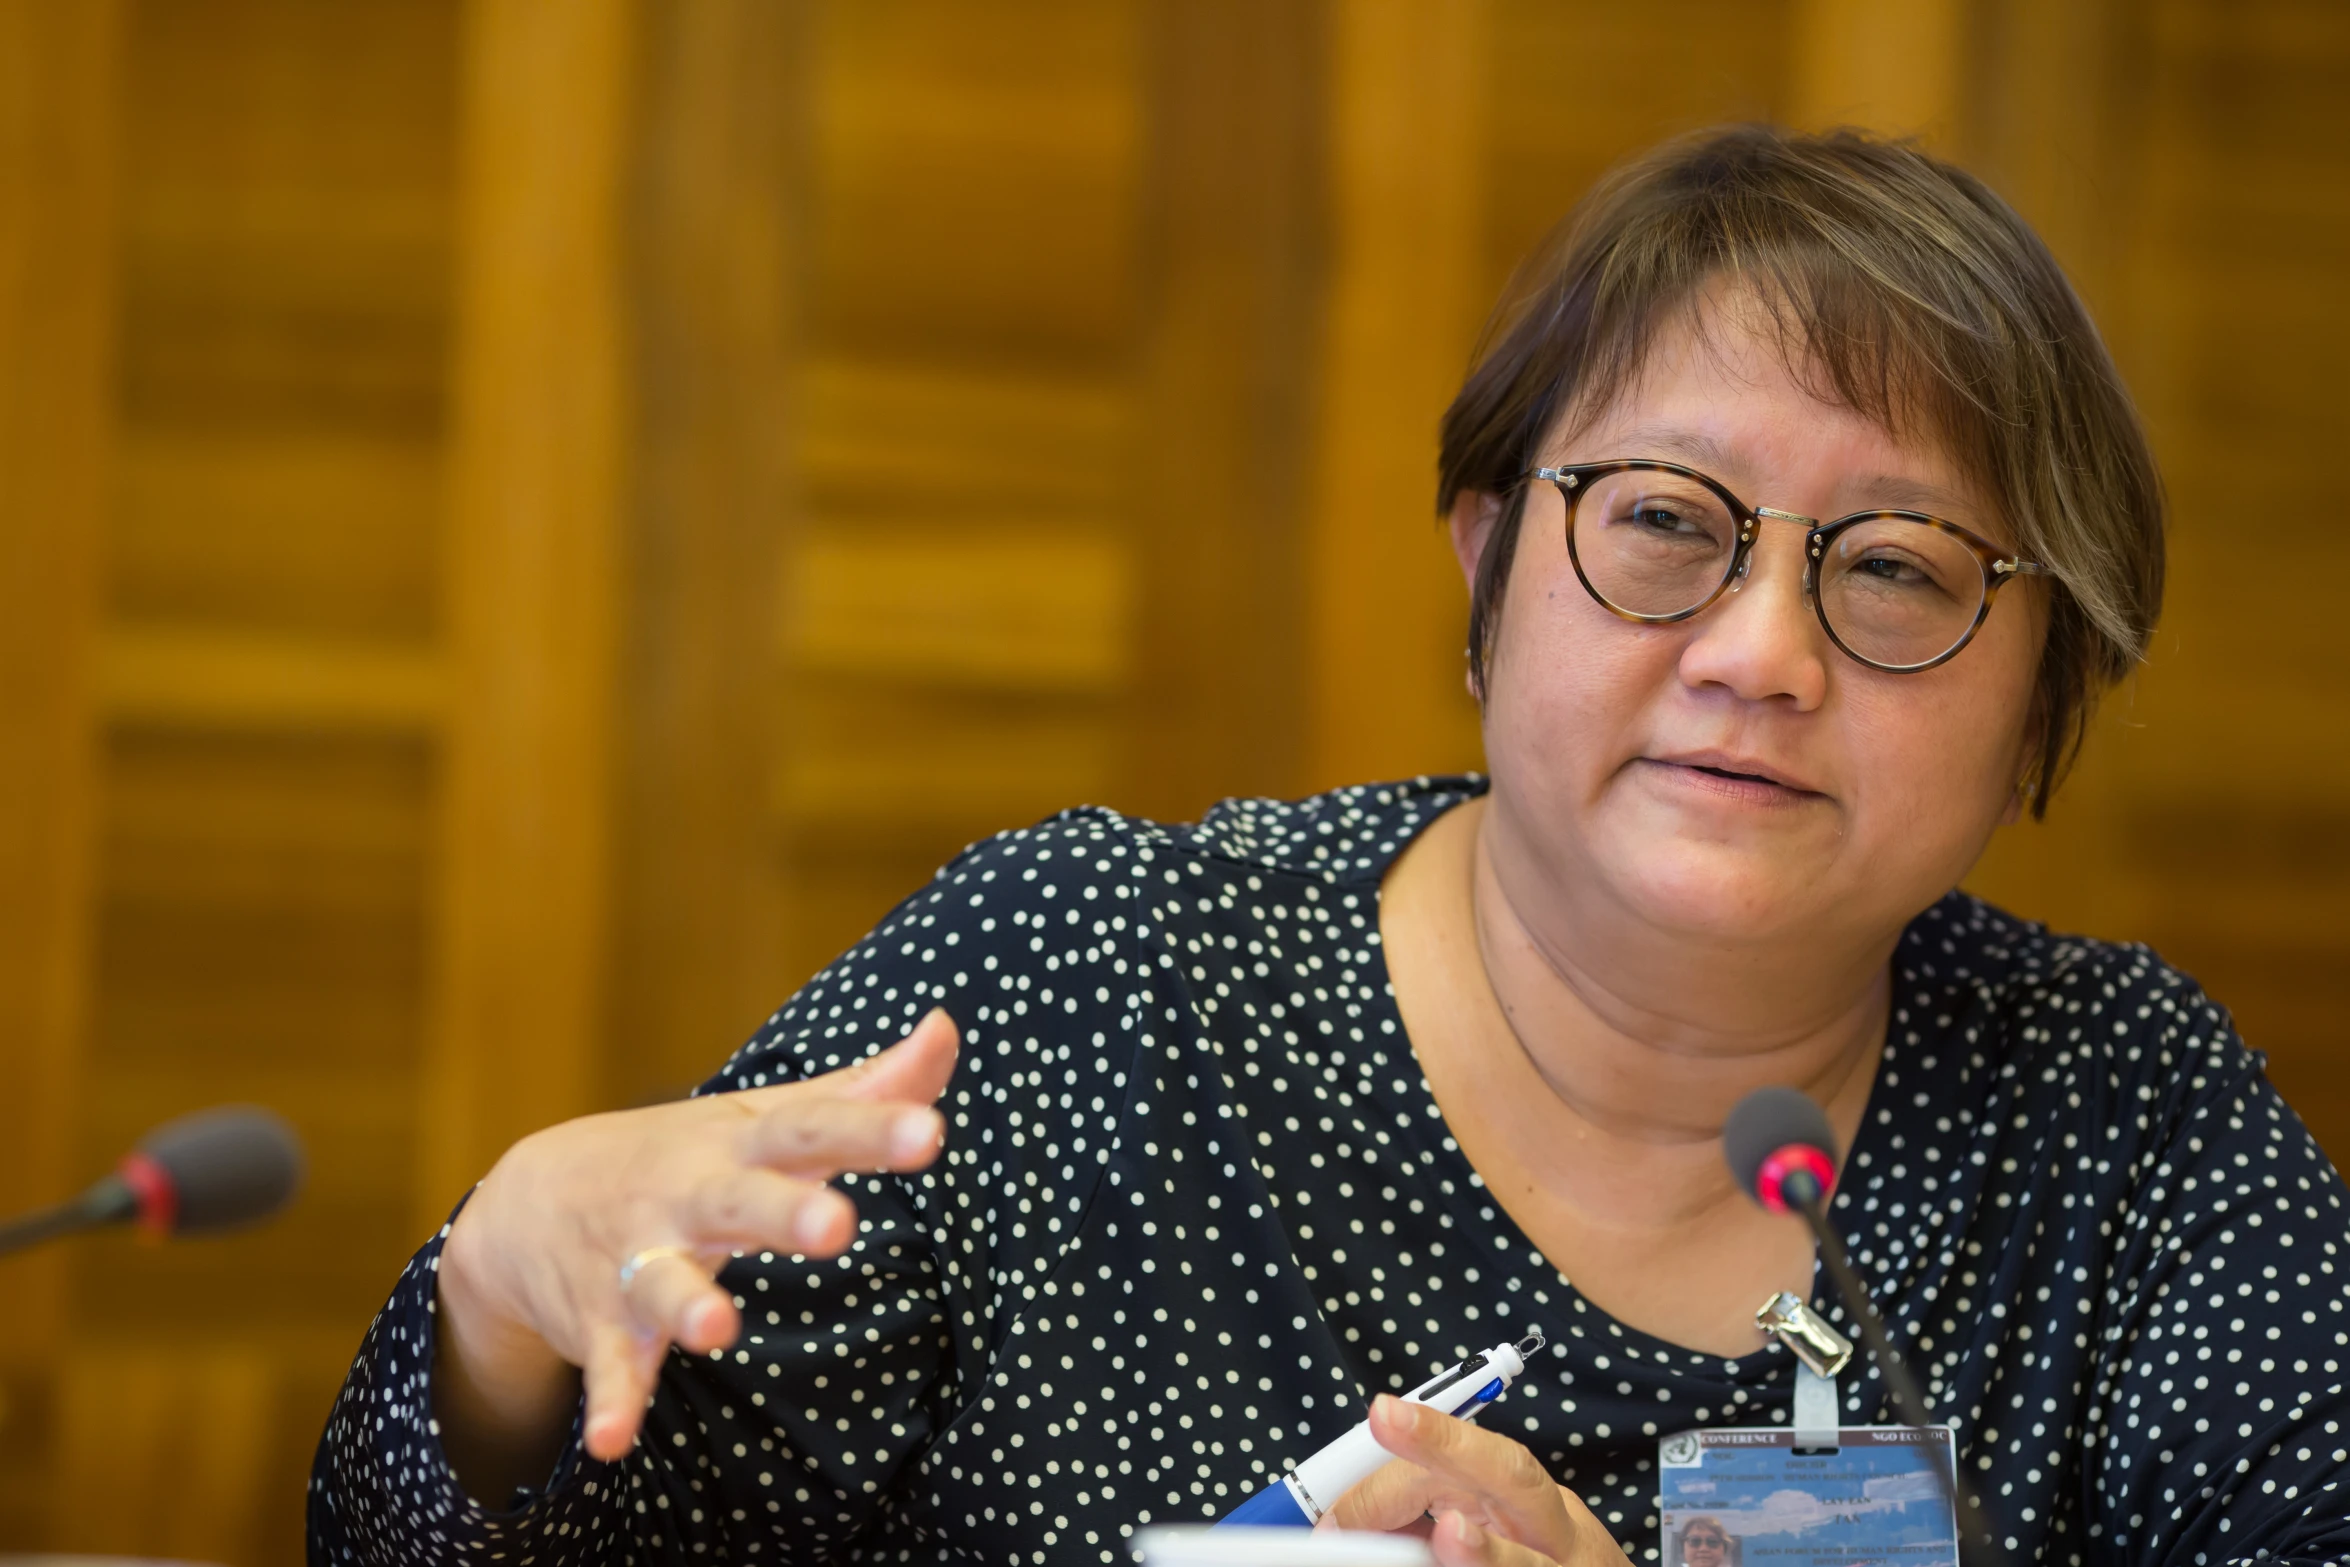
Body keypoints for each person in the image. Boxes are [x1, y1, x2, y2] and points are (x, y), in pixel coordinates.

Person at [310, 125, 2350, 1566]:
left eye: (1893, 570)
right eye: (1659, 524)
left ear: (2039, 699)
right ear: (1486, 568)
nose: (1757, 654)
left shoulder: (2121, 1132)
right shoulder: (1087, 980)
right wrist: (497, 1308)